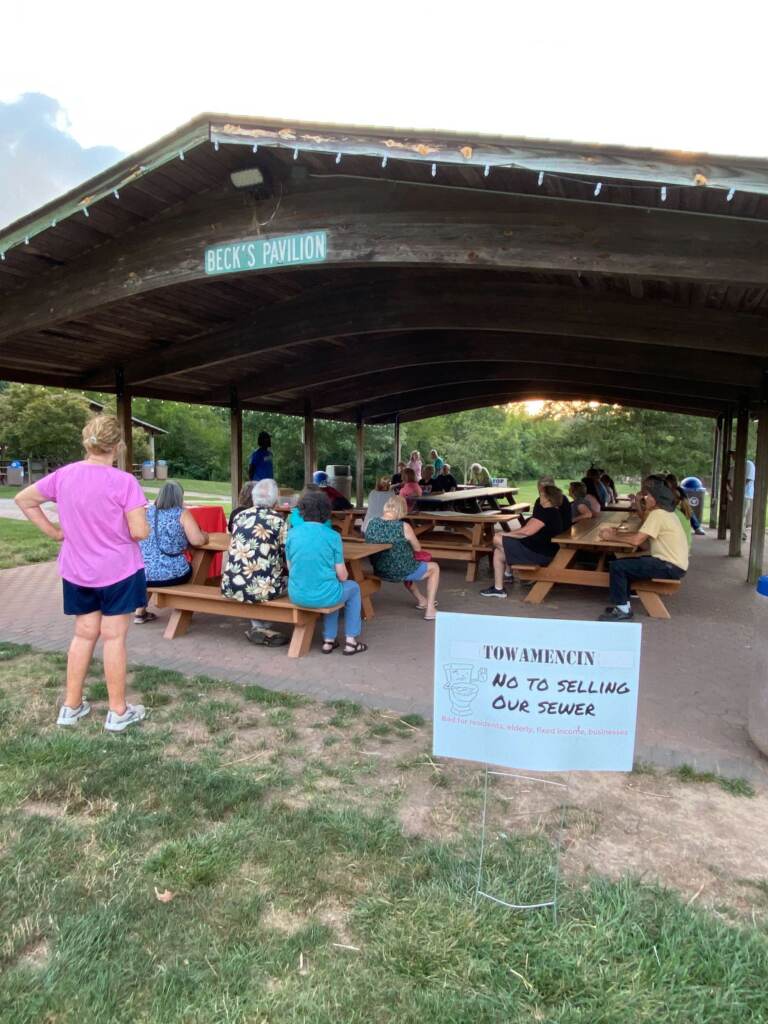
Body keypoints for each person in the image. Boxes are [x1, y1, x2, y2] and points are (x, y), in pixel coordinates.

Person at [14, 415, 149, 732]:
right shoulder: (124, 482)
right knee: (113, 638)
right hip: (119, 570)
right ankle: (118, 711)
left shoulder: (64, 476)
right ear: (117, 446)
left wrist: (54, 533)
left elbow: (24, 499)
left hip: (77, 570)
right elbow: (140, 531)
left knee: (83, 634)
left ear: (88, 442)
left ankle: (71, 706)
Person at [285, 490, 367, 655]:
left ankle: (329, 640)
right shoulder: (333, 536)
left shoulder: (291, 534)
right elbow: (343, 575)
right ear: (326, 511)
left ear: (302, 510)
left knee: (333, 587)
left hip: (296, 594)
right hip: (325, 594)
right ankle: (351, 640)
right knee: (351, 588)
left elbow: (291, 567)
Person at [598, 476, 688, 622]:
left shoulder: (657, 514)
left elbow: (636, 541)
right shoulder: (667, 514)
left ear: (656, 500)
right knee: (624, 563)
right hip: (674, 565)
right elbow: (642, 539)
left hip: (668, 566)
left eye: (649, 495)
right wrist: (617, 534)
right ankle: (623, 605)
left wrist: (610, 537)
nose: (646, 498)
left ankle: (622, 609)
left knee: (618, 566)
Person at [222, 478, 289, 647]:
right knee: (287, 581)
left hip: (231, 585)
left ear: (253, 498)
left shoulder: (240, 516)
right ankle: (262, 626)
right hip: (262, 588)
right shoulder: (279, 521)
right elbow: (287, 555)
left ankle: (259, 627)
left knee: (256, 579)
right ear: (274, 500)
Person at [134, 481, 209, 623]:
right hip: (172, 574)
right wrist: (205, 536)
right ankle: (183, 612)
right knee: (192, 568)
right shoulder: (181, 513)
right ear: (179, 496)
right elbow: (197, 541)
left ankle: (140, 612)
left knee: (152, 565)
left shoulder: (147, 513)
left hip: (143, 574)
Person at [481, 484, 564, 598]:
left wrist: (506, 534)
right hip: (537, 550)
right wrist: (509, 536)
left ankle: (508, 570)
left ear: (547, 498)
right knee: (498, 552)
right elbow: (525, 529)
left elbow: (526, 532)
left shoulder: (549, 512)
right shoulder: (549, 511)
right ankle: (498, 588)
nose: (539, 496)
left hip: (539, 554)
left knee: (496, 538)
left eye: (541, 494)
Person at [365, 494, 440, 619]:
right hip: (399, 569)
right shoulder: (403, 526)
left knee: (405, 564)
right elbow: (418, 548)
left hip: (380, 569)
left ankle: (422, 600)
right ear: (402, 510)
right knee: (434, 568)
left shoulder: (371, 523)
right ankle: (431, 609)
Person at [665, 474, 702, 538]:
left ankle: (697, 527)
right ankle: (697, 527)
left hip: (678, 507)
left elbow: (683, 500)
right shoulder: (679, 489)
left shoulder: (677, 490)